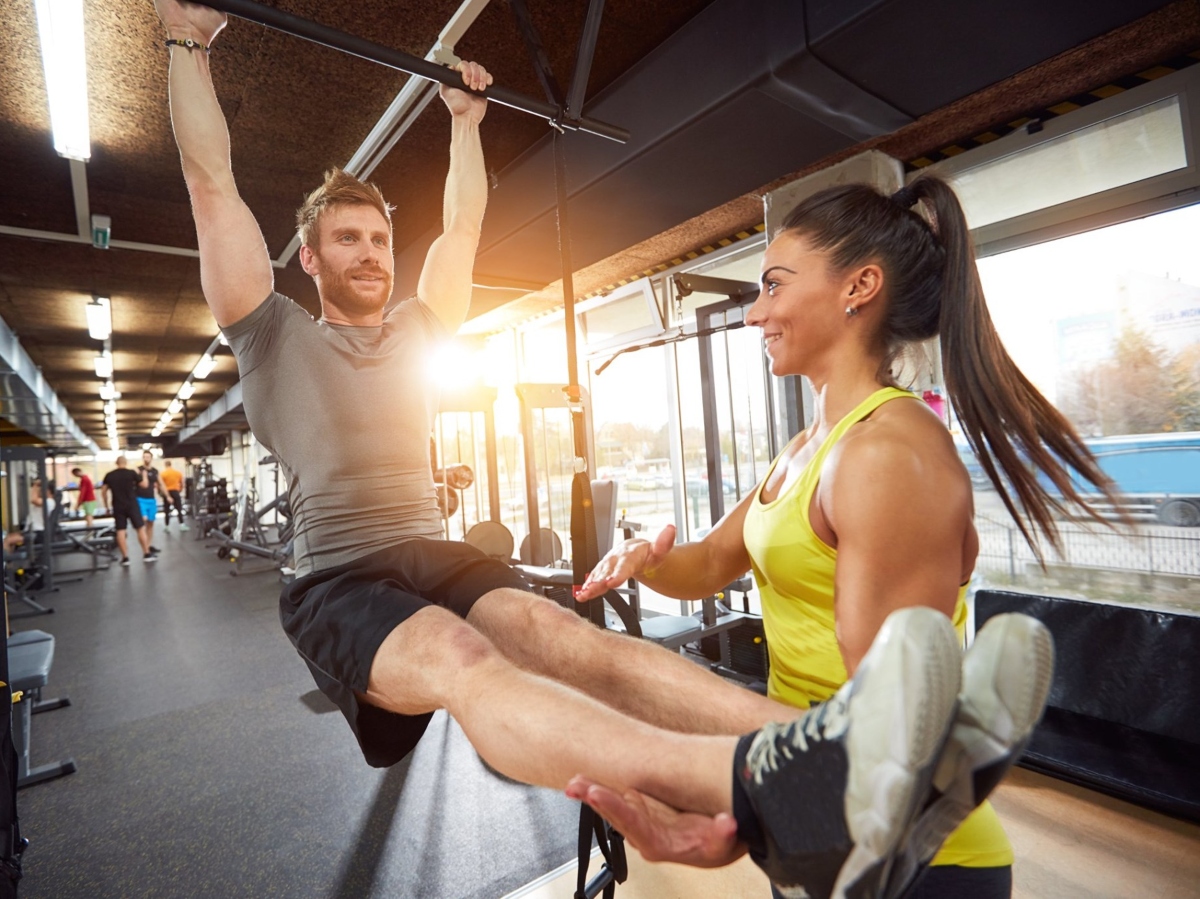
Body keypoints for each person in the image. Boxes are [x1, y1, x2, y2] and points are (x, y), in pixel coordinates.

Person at [156, 3, 1047, 895]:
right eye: (347, 238)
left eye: (381, 237)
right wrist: (185, 42)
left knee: (561, 636)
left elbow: (461, 225)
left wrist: (465, 126)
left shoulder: (420, 327)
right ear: (306, 259)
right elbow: (209, 182)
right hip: (341, 574)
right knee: (467, 664)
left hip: (437, 548)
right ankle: (758, 776)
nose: (371, 253)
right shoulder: (268, 331)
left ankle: (861, 751)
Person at [572, 175, 1126, 897]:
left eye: (773, 286)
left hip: (909, 851)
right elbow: (710, 559)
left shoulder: (886, 453)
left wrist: (722, 776)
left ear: (858, 286)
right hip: (820, 813)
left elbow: (889, 707)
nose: (753, 315)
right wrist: (647, 557)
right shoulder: (809, 445)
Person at [102, 455, 157, 566]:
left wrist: (106, 506)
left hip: (118, 505)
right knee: (140, 528)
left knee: (120, 530)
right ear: (125, 462)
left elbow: (103, 492)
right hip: (132, 504)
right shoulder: (131, 473)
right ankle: (146, 554)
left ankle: (125, 558)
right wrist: (144, 475)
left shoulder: (109, 475)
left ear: (116, 463)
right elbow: (145, 485)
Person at [137, 450, 170, 550]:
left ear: (151, 458)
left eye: (148, 457)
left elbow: (161, 484)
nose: (146, 458)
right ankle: (145, 549)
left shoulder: (155, 471)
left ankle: (148, 546)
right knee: (144, 520)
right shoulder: (138, 470)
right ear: (143, 458)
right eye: (144, 457)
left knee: (150, 524)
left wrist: (168, 496)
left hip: (151, 500)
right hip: (140, 499)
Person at [160, 460, 188, 531]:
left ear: (165, 465)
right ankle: (182, 525)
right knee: (179, 509)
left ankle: (167, 526)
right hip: (175, 492)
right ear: (171, 464)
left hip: (167, 492)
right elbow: (182, 483)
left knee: (166, 510)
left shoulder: (163, 474)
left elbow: (160, 485)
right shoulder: (177, 473)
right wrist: (179, 490)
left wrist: (161, 494)